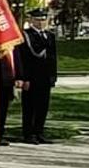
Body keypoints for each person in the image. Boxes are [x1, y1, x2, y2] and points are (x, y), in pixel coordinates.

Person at [16, 10, 60, 144]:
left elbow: (52, 58)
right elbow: (24, 59)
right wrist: (24, 78)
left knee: (43, 106)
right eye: (37, 20)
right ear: (31, 20)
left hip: (45, 77)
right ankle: (28, 134)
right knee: (30, 107)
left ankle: (39, 132)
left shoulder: (50, 35)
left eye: (43, 19)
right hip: (32, 77)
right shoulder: (26, 35)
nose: (41, 22)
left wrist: (53, 76)